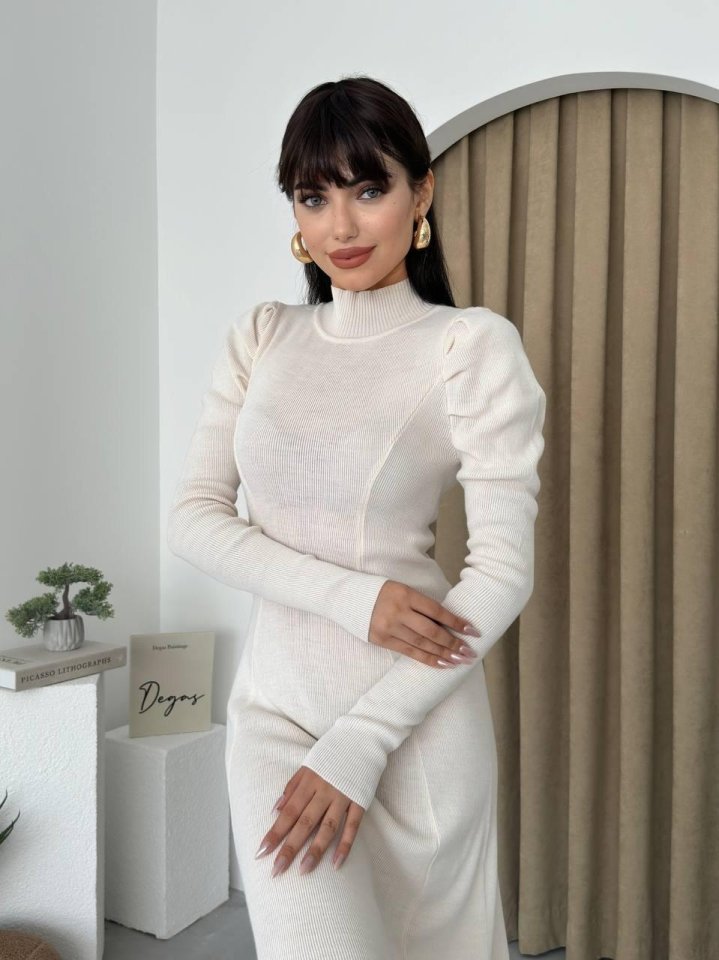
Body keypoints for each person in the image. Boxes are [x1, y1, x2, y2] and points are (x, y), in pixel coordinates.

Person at [167, 75, 546, 960]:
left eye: (368, 189)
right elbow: (192, 518)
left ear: (421, 192)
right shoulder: (262, 337)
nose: (339, 225)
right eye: (313, 197)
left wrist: (362, 742)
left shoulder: (467, 345)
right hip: (275, 712)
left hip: (412, 729)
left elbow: (502, 572)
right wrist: (353, 598)